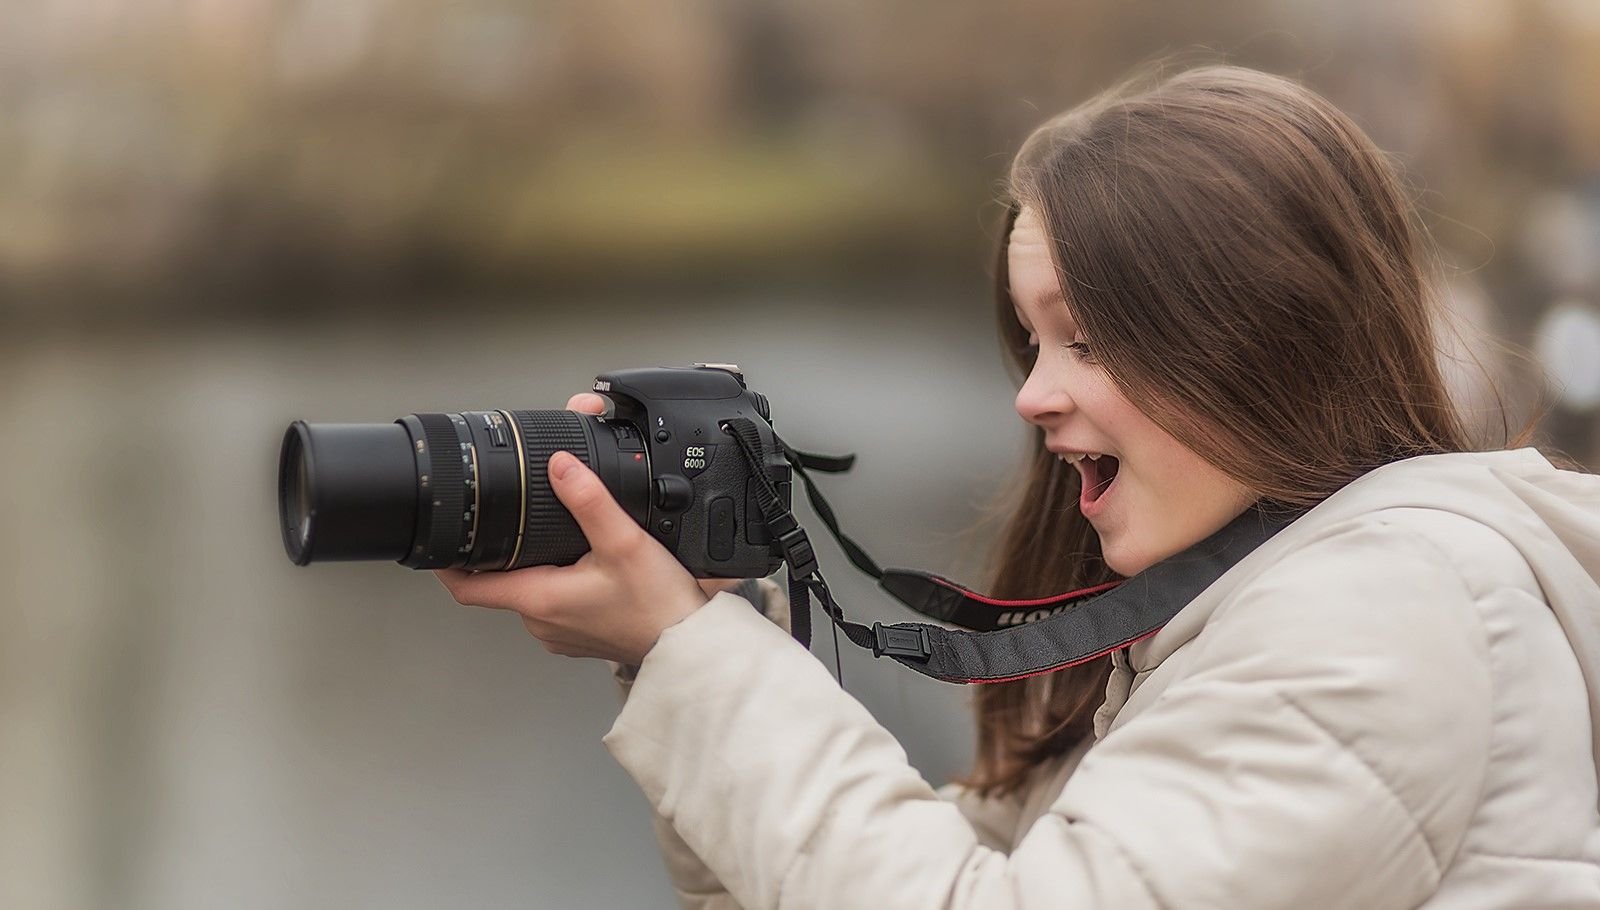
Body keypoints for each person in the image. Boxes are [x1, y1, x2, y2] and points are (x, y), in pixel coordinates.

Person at [435, 66, 1600, 908]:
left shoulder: (1376, 616)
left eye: (1085, 339)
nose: (1030, 397)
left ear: (1258, 339)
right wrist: (702, 620)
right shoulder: (1254, 613)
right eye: (1032, 345)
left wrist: (699, 666)